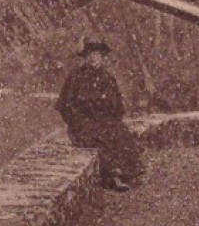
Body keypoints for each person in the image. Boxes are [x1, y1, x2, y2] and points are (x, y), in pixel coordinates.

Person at [56, 39, 145, 191]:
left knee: (118, 132)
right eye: (90, 54)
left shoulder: (107, 78)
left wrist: (108, 115)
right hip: (82, 124)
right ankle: (112, 176)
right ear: (86, 57)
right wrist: (77, 120)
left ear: (103, 57)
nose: (94, 58)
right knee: (101, 136)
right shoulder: (76, 77)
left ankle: (129, 173)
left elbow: (117, 106)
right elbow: (65, 105)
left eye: (97, 54)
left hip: (104, 120)